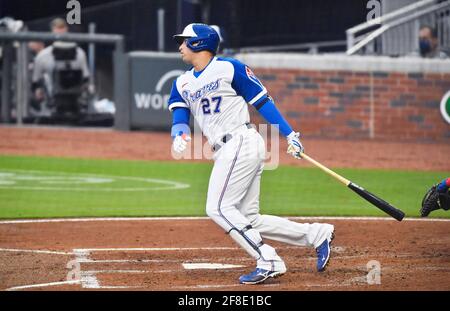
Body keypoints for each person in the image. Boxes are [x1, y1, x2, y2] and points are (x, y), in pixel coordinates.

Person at [168, 23, 335, 285]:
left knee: (218, 207)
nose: (180, 46)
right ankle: (317, 235)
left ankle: (268, 259)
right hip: (226, 150)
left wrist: (289, 134)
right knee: (249, 218)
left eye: (185, 41)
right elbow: (180, 114)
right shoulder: (182, 82)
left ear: (199, 43)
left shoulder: (229, 68)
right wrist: (179, 134)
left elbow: (262, 101)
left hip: (240, 142)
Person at [31, 18, 90, 116]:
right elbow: (36, 83)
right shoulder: (43, 56)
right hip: (51, 105)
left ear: (66, 30)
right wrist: (39, 92)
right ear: (52, 32)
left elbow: (86, 80)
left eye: (62, 30)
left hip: (75, 104)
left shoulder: (80, 53)